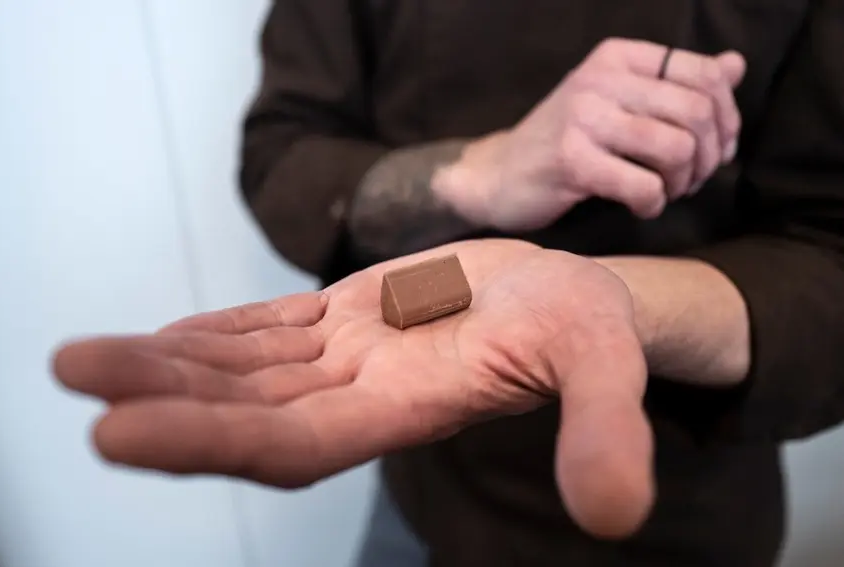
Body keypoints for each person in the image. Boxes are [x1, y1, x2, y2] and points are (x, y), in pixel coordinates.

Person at [51, 1, 844, 566]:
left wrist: (620, 302)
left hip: (690, 513)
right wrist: (484, 171)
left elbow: (827, 254)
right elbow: (280, 152)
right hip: (425, 497)